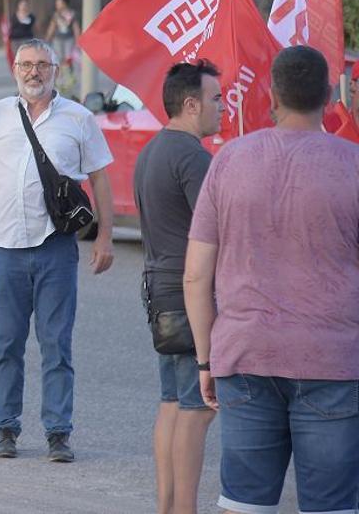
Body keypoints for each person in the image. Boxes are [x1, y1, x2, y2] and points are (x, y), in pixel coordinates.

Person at [185, 45, 359, 514]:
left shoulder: (228, 161)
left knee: (244, 504)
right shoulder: (353, 164)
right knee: (332, 507)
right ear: (327, 95)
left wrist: (206, 361)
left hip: (244, 357)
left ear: (272, 95)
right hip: (335, 361)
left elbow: (196, 275)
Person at [0, 38, 114, 462]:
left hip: (56, 249)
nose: (34, 72)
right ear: (14, 68)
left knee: (57, 344)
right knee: (7, 345)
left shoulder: (77, 118)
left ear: (56, 69)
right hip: (5, 249)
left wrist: (105, 236)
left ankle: (58, 433)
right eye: (26, 65)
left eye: (42, 65)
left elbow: (101, 180)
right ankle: (6, 430)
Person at [134, 61, 222, 514]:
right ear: (191, 104)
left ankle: (168, 506)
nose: (222, 108)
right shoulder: (193, 157)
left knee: (172, 403)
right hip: (189, 297)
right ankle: (183, 509)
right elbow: (217, 232)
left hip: (158, 293)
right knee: (198, 408)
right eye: (216, 99)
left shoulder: (152, 151)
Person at [44, 0, 80, 67]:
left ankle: (69, 74)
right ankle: (60, 74)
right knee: (59, 57)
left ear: (64, 4)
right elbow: (52, 27)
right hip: (58, 39)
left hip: (69, 39)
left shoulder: (72, 14)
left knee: (68, 58)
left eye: (58, 3)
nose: (56, 5)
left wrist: (78, 41)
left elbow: (76, 28)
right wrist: (47, 39)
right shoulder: (56, 15)